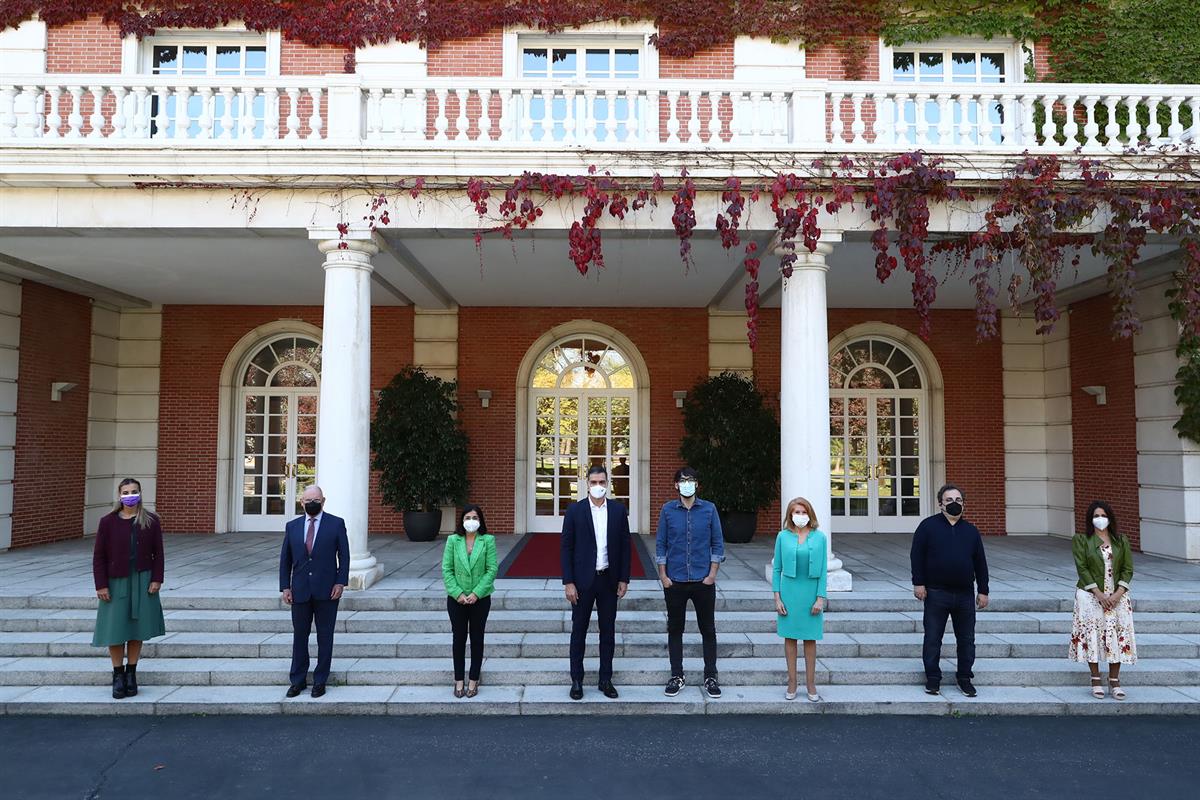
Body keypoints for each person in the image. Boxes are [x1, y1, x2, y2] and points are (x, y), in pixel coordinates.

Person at [910, 483, 989, 697]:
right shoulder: (928, 527)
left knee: (966, 639)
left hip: (964, 595)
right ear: (940, 504)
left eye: (958, 501)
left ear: (963, 504)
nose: (954, 504)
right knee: (933, 638)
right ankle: (933, 679)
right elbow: (916, 556)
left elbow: (980, 562)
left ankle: (964, 678)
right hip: (936, 593)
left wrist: (983, 590)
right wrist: (918, 583)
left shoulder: (971, 531)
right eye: (949, 500)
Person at [561, 463, 631, 700]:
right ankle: (577, 680)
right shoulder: (574, 511)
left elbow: (625, 547)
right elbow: (566, 548)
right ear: (587, 484)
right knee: (578, 631)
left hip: (608, 581)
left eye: (602, 482)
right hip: (582, 583)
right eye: (594, 483)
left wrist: (624, 578)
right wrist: (568, 582)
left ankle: (605, 679)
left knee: (608, 632)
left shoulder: (619, 511)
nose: (598, 486)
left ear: (607, 484)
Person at [92, 478, 166, 699]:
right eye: (126, 492)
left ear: (141, 493)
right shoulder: (108, 522)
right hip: (116, 581)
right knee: (115, 630)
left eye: (134, 491)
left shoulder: (151, 520)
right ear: (119, 495)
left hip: (142, 579)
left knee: (137, 628)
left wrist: (157, 579)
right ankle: (118, 675)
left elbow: (159, 553)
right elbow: (99, 557)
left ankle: (132, 674)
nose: (130, 495)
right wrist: (101, 584)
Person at [655, 466, 725, 698]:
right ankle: (677, 675)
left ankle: (711, 676)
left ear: (697, 484)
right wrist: (663, 576)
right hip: (674, 580)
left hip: (702, 580)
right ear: (676, 485)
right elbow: (661, 544)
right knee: (675, 629)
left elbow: (717, 543)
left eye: (691, 480)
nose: (687, 484)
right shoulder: (667, 510)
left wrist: (712, 574)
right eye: (683, 480)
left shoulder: (709, 509)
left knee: (708, 629)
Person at [279, 485, 349, 698]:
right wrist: (285, 586)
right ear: (301, 502)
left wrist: (340, 583)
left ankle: (320, 680)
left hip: (327, 591)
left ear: (323, 501)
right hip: (300, 590)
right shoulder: (292, 526)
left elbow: (344, 557)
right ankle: (297, 680)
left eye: (316, 500)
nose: (312, 503)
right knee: (300, 636)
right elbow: (286, 560)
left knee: (325, 636)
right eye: (308, 500)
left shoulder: (336, 524)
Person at [1070, 500, 1137, 699]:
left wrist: (1117, 594)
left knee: (1116, 636)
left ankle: (1115, 681)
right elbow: (1082, 568)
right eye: (1096, 516)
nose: (1100, 519)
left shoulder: (1121, 540)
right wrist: (1099, 594)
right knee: (1093, 635)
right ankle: (1095, 679)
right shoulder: (1082, 540)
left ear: (1110, 517)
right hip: (1091, 596)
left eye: (1103, 515)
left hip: (1117, 597)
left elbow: (1128, 568)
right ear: (1090, 519)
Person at [772, 496, 827, 701]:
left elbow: (822, 570)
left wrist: (820, 598)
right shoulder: (782, 536)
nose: (800, 516)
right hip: (789, 592)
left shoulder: (819, 537)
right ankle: (792, 681)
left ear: (810, 514)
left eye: (804, 512)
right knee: (790, 637)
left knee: (810, 638)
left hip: (811, 592)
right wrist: (777, 598)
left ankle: (811, 683)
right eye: (797, 512)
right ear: (790, 515)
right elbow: (777, 569)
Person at [442, 504, 498, 698]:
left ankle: (473, 680)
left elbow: (491, 569)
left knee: (477, 638)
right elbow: (447, 569)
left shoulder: (487, 541)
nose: (471, 521)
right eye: (468, 517)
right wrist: (457, 593)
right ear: (462, 520)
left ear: (480, 520)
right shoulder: (453, 540)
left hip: (480, 599)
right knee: (458, 639)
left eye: (475, 517)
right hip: (456, 599)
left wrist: (476, 593)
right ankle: (459, 680)